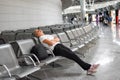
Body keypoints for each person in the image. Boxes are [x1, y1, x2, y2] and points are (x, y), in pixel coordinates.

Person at [34, 29, 99, 75]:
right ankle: (89, 67)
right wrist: (54, 40)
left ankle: (88, 68)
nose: (39, 30)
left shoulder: (46, 35)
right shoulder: (41, 37)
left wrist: (54, 40)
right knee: (73, 56)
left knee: (73, 55)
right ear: (37, 34)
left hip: (59, 45)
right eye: (37, 31)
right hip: (55, 49)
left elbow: (57, 39)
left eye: (39, 30)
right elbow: (51, 43)